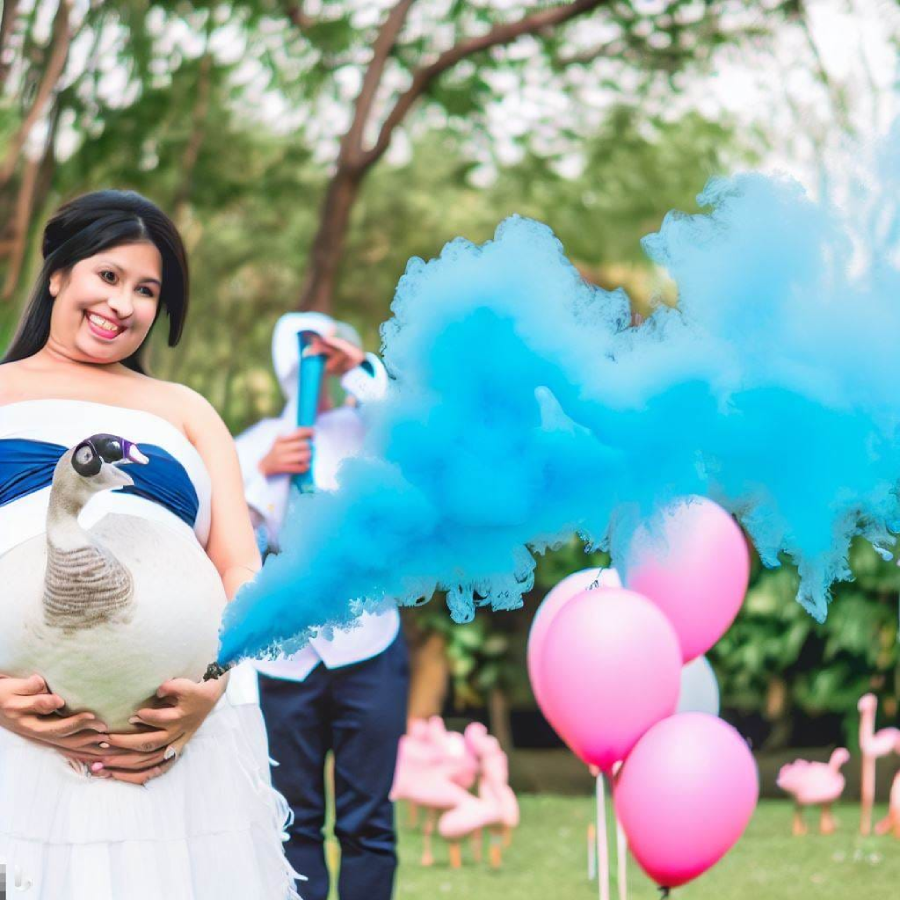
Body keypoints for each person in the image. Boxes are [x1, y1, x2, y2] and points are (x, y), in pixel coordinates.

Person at [0, 190, 298, 899]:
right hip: (17, 727)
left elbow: (238, 565)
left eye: (146, 290)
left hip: (170, 736)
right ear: (57, 274)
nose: (123, 304)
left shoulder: (187, 411)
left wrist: (211, 688)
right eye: (108, 276)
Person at [235, 312, 409, 900]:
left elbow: (407, 426)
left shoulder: (371, 432)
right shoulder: (254, 444)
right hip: (282, 656)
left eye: (323, 355)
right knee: (293, 819)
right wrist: (263, 478)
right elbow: (228, 543)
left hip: (369, 640)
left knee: (368, 820)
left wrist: (357, 367)